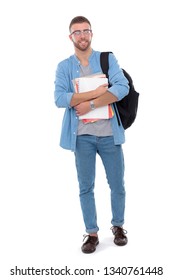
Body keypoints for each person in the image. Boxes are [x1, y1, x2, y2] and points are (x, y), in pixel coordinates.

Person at [54, 16, 129, 254]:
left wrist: (91, 103)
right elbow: (59, 98)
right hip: (82, 137)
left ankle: (118, 226)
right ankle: (92, 233)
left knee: (117, 185)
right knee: (85, 187)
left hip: (109, 135)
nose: (82, 35)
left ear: (91, 33)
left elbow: (122, 88)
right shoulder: (64, 67)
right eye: (77, 32)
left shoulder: (107, 59)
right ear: (70, 37)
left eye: (86, 30)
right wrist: (97, 92)